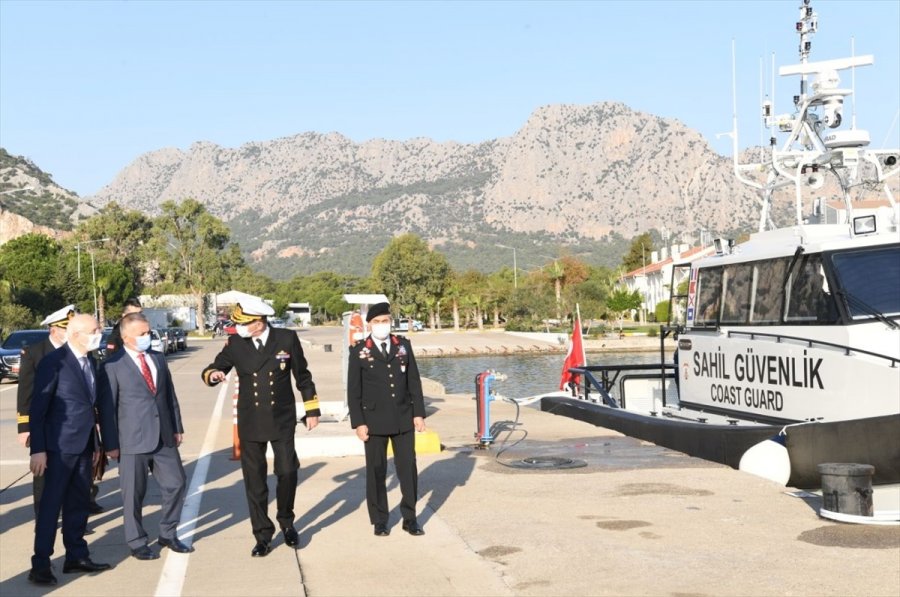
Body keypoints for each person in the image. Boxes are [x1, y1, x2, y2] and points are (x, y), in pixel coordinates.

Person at [201, 298, 321, 557]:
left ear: (259, 322)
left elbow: (303, 376)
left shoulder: (286, 339)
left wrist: (312, 409)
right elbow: (216, 366)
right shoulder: (235, 344)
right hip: (251, 420)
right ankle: (262, 535)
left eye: (243, 324)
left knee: (288, 471)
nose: (238, 328)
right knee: (255, 481)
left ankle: (286, 521)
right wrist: (213, 375)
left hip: (281, 418)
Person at [97, 313, 191, 561]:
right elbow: (108, 408)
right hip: (131, 440)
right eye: (142, 334)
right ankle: (137, 541)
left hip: (163, 436)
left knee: (177, 483)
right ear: (126, 337)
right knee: (133, 494)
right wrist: (111, 444)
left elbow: (169, 396)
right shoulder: (111, 365)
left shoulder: (158, 359)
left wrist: (177, 426)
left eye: (148, 332)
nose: (147, 337)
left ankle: (168, 533)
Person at [28, 314, 111, 586]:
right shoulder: (54, 363)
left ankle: (76, 556)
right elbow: (38, 410)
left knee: (78, 504)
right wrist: (38, 450)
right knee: (51, 508)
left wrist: (96, 444)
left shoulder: (91, 361)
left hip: (85, 445)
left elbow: (91, 408)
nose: (99, 333)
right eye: (94, 330)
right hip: (57, 449)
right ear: (76, 334)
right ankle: (41, 563)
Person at [347, 302, 427, 537]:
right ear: (369, 324)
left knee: (407, 469)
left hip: (403, 417)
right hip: (373, 420)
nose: (382, 325)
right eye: (377, 322)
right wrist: (358, 422)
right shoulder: (360, 350)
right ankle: (380, 520)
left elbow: (414, 381)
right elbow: (354, 391)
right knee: (376, 470)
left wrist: (419, 413)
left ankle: (410, 517)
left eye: (386, 321)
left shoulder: (402, 346)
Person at [16, 305, 74, 515]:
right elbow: (25, 392)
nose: (71, 333)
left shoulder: (77, 350)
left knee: (73, 472)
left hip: (71, 424)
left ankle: (73, 516)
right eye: (66, 328)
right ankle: (44, 515)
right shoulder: (34, 353)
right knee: (42, 472)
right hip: (43, 423)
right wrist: (24, 427)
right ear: (53, 330)